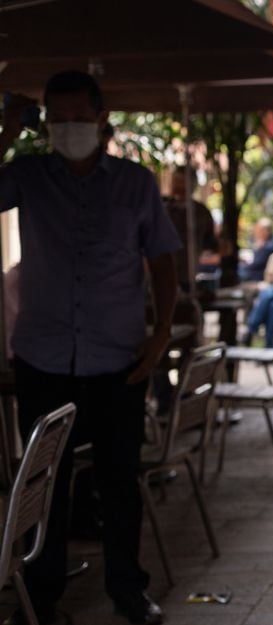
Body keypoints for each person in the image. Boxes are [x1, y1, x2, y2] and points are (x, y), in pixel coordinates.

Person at [0, 70, 179, 625]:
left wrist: (160, 336)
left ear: (103, 120)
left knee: (118, 483)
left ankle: (128, 591)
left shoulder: (135, 183)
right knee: (41, 483)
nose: (68, 128)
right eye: (57, 119)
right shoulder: (26, 176)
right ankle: (43, 594)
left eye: (79, 117)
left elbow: (163, 261)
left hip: (118, 361)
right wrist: (7, 127)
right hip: (42, 359)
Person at [164, 165, 220, 292]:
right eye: (176, 184)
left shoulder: (200, 212)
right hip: (163, 273)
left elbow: (210, 242)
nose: (178, 190)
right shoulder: (163, 209)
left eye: (182, 185)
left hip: (187, 275)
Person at [239, 217, 273, 282]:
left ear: (266, 231)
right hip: (256, 271)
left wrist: (243, 265)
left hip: (259, 275)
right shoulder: (265, 242)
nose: (256, 232)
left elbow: (256, 264)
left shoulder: (270, 245)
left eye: (259, 230)